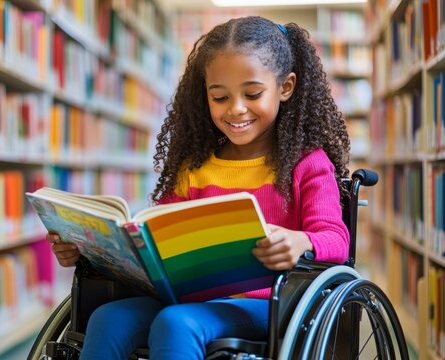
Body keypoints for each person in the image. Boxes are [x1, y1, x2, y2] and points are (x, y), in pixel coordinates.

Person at [47, 15, 351, 360]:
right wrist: (89, 248)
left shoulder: (308, 163)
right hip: (190, 298)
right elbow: (152, 240)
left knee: (177, 324)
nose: (236, 109)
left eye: (252, 93)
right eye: (219, 97)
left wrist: (301, 241)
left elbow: (336, 239)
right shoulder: (194, 168)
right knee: (107, 318)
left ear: (286, 87)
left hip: (269, 304)